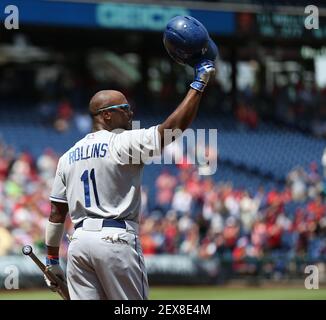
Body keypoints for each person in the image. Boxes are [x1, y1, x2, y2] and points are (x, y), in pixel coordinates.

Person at [44, 59, 215, 300]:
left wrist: (51, 260)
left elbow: (56, 214)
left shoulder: (67, 156)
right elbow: (171, 129)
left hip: (79, 245)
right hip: (116, 240)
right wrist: (198, 84)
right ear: (106, 116)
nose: (131, 112)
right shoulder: (122, 141)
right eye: (124, 108)